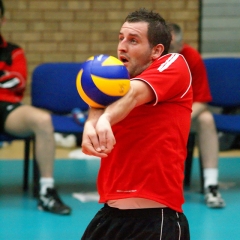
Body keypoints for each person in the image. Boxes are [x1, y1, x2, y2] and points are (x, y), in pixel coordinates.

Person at [81, 8, 191, 240]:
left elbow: (132, 95)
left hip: (155, 220)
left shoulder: (174, 64)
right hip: (110, 216)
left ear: (156, 50)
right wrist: (91, 123)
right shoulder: (117, 80)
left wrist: (105, 120)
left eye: (133, 40)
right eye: (121, 38)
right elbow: (97, 98)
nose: (122, 46)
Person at [0, 0, 71, 215]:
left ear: (2, 21)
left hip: (6, 107)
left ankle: (46, 192)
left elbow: (18, 81)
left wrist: (7, 79)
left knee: (42, 120)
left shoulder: (14, 52)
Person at [169, 23, 225, 208]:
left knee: (207, 119)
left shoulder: (191, 57)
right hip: (158, 115)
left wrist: (181, 117)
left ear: (180, 44)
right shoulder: (151, 58)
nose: (167, 52)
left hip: (184, 114)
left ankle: (211, 186)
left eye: (171, 47)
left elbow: (202, 100)